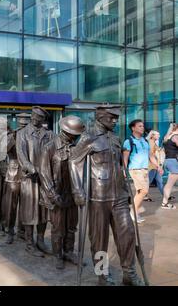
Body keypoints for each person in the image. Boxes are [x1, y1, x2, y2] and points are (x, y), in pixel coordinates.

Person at [70, 105, 144, 286]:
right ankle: (102, 275)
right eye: (111, 118)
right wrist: (78, 190)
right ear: (101, 117)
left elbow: (120, 165)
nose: (115, 121)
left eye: (116, 118)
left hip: (119, 195)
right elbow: (74, 162)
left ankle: (129, 273)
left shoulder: (115, 138)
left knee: (127, 234)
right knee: (99, 239)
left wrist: (126, 190)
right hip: (98, 196)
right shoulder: (89, 137)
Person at [39, 115, 85, 269]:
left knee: (71, 226)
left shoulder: (76, 147)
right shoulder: (49, 147)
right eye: (75, 134)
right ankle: (58, 254)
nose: (76, 137)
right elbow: (44, 173)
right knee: (58, 228)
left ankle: (69, 252)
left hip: (72, 194)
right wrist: (53, 195)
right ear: (66, 132)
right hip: (56, 195)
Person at [16, 106, 54, 257]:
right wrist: (31, 168)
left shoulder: (49, 134)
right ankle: (29, 243)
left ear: (43, 120)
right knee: (29, 210)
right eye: (34, 116)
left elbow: (53, 153)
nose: (35, 119)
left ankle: (40, 240)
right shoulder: (22, 134)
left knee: (44, 210)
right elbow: (21, 155)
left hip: (45, 178)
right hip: (29, 179)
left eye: (39, 118)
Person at [1, 113, 30, 244]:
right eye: (21, 122)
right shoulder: (12, 135)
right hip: (13, 172)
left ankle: (22, 231)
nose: (23, 124)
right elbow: (3, 151)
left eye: (26, 123)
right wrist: (12, 138)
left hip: (27, 174)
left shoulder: (31, 136)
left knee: (25, 205)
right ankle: (9, 231)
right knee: (11, 205)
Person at [122, 120, 152, 223]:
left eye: (142, 126)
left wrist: (158, 166)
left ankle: (134, 212)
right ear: (133, 128)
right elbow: (125, 157)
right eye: (139, 126)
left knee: (141, 192)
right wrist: (124, 170)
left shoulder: (145, 141)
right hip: (135, 169)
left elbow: (150, 155)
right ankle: (133, 213)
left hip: (145, 169)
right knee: (144, 191)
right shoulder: (129, 141)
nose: (142, 128)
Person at [161, 123, 178, 209]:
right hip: (173, 161)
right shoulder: (175, 136)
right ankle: (165, 203)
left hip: (168, 161)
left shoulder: (167, 137)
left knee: (169, 184)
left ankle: (165, 202)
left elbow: (164, 151)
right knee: (169, 184)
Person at [146, 130, 165, 200]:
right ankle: (143, 195)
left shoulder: (153, 142)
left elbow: (156, 151)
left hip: (155, 165)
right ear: (152, 136)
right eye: (157, 135)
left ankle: (166, 195)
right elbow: (150, 154)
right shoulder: (151, 142)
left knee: (159, 180)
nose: (159, 136)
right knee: (149, 181)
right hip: (152, 165)